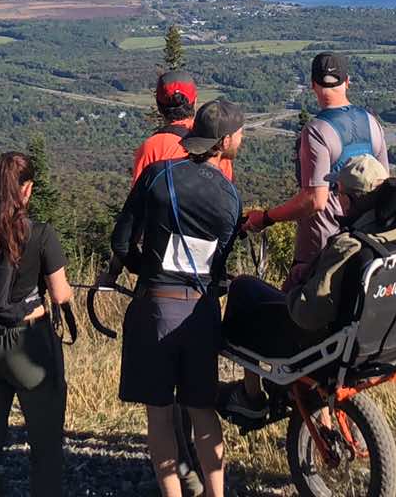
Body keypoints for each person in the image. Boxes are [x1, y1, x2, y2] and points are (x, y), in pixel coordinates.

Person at [219, 157, 396, 421]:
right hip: (385, 336)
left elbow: (307, 314)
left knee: (243, 287)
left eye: (338, 192)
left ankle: (250, 396)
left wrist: (298, 289)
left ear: (351, 200)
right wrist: (312, 270)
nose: (336, 198)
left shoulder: (349, 245)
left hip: (322, 344)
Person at [112, 99, 247, 497]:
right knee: (203, 411)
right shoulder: (229, 198)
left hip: (155, 306)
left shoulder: (157, 176)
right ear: (224, 141)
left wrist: (145, 270)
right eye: (240, 133)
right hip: (200, 313)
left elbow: (121, 242)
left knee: (159, 415)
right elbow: (218, 265)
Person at [0, 151, 74, 497]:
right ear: (27, 189)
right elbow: (60, 294)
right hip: (30, 342)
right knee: (46, 449)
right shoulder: (42, 235)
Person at [241, 52, 390, 292]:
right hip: (365, 242)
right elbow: (384, 183)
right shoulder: (372, 123)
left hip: (321, 249)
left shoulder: (317, 131)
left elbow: (315, 200)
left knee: (287, 307)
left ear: (313, 84)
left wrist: (267, 218)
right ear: (347, 81)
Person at [132, 70, 233, 183]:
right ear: (195, 102)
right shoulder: (215, 144)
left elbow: (139, 191)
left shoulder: (150, 148)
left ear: (159, 106)